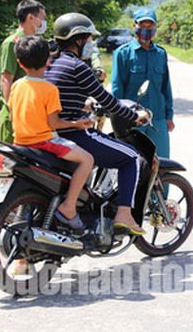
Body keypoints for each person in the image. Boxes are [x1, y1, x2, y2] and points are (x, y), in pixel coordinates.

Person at [45, 12, 150, 236]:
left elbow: (60, 97)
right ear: (78, 40)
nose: (91, 44)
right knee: (131, 157)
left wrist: (85, 105)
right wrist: (134, 117)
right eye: (90, 40)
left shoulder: (51, 63)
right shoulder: (77, 67)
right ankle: (124, 214)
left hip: (50, 131)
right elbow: (108, 101)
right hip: (73, 133)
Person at [8, 36, 94, 229]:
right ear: (48, 60)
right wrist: (78, 123)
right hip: (44, 141)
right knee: (87, 159)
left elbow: (14, 116)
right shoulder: (49, 89)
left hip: (19, 142)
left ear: (20, 63)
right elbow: (53, 122)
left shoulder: (16, 85)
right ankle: (70, 206)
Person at [112, 8, 175, 157]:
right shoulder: (123, 53)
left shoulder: (160, 53)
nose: (146, 29)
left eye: (150, 26)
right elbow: (117, 88)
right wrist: (118, 118)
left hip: (158, 119)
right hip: (132, 119)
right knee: (133, 163)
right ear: (134, 26)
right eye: (142, 25)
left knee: (161, 163)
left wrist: (169, 116)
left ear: (155, 27)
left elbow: (166, 87)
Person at [0, 0, 47, 143]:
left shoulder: (35, 43)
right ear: (31, 18)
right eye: (42, 19)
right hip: (17, 110)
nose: (43, 23)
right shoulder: (12, 43)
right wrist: (12, 109)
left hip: (32, 110)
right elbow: (6, 78)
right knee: (10, 158)